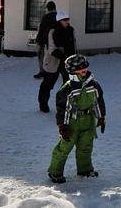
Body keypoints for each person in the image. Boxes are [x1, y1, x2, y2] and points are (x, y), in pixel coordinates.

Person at [47, 54, 106, 184]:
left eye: (85, 66)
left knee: (86, 146)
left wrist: (101, 117)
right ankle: (55, 172)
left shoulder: (94, 84)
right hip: (72, 123)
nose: (84, 69)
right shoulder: (68, 88)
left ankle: (85, 170)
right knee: (65, 147)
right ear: (72, 71)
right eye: (79, 68)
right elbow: (63, 109)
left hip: (88, 121)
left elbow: (98, 101)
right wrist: (63, 126)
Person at [38, 11, 77, 113]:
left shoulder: (70, 30)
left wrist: (73, 58)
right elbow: (52, 49)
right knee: (48, 83)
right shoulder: (52, 31)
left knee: (68, 84)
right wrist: (63, 56)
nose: (67, 22)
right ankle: (43, 103)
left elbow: (74, 45)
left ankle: (65, 106)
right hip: (53, 60)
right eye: (65, 20)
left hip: (66, 61)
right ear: (59, 20)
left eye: (68, 19)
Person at [35, 1, 57, 79]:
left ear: (47, 8)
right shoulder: (58, 17)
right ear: (55, 8)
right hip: (57, 41)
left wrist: (38, 41)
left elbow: (41, 30)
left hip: (46, 40)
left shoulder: (46, 17)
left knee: (42, 57)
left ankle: (43, 72)